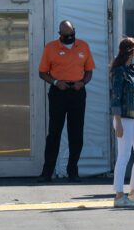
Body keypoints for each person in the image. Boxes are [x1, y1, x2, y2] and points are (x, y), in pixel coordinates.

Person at [37, 20, 95, 183]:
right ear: (60, 34)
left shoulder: (83, 46)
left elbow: (89, 71)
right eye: (65, 36)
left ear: (75, 32)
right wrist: (55, 82)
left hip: (77, 91)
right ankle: (47, 172)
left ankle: (73, 171)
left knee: (76, 133)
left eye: (71, 35)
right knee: (54, 133)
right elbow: (42, 72)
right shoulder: (51, 48)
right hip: (59, 91)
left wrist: (82, 82)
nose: (69, 38)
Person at [110, 37, 134, 208]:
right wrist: (117, 121)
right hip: (124, 118)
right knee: (124, 156)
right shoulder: (119, 71)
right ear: (131, 51)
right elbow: (115, 97)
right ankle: (119, 195)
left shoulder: (133, 69)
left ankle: (133, 191)